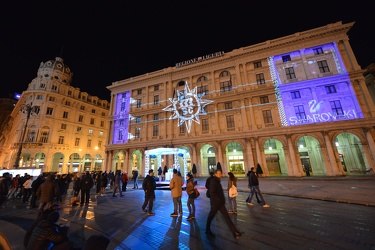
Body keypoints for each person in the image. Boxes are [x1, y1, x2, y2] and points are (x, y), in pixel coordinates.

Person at [205, 169, 243, 239]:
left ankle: (235, 231)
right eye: (219, 174)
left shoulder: (217, 181)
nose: (221, 175)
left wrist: (222, 200)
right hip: (215, 204)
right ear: (215, 174)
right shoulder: (214, 181)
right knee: (210, 217)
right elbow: (212, 193)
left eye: (221, 173)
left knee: (227, 218)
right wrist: (219, 200)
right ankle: (207, 230)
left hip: (220, 203)